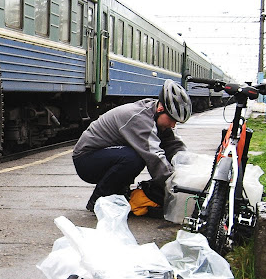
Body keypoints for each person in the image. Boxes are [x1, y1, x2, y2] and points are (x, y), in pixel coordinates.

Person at [72, 80, 191, 212]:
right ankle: (98, 199)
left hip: (107, 155)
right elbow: (155, 157)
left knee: (132, 156)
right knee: (134, 158)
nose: (173, 125)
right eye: (172, 120)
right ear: (160, 108)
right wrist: (175, 187)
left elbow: (173, 145)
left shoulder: (155, 115)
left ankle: (117, 194)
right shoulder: (139, 119)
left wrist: (188, 169)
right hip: (86, 160)